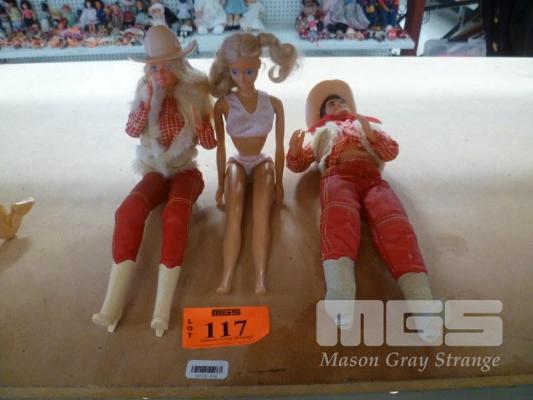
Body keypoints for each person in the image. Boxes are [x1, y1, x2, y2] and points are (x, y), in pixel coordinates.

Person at [287, 80, 438, 341]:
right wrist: (294, 150)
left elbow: (390, 152)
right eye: (330, 104)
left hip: (373, 179)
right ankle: (341, 293)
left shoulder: (367, 126)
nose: (338, 105)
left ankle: (422, 302)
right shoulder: (322, 134)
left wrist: (371, 133)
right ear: (322, 115)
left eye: (341, 101)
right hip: (338, 176)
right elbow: (299, 163)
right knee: (338, 220)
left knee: (396, 225)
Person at [92, 26, 216, 337]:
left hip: (185, 169)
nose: (160, 74)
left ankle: (162, 308)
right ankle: (112, 303)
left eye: (166, 67)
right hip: (154, 168)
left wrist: (202, 126)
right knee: (128, 212)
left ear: (179, 66)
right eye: (154, 67)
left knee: (175, 215)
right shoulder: (144, 91)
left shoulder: (195, 93)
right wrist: (146, 105)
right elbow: (132, 131)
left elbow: (211, 143)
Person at [209, 32, 298, 294]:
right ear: (228, 70)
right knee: (233, 216)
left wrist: (279, 184)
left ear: (259, 66)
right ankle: (226, 277)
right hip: (237, 162)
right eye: (236, 72)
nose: (243, 78)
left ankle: (260, 278)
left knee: (261, 215)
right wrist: (220, 184)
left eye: (249, 71)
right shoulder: (223, 105)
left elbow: (279, 147)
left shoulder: (273, 104)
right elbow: (221, 148)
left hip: (262, 163)